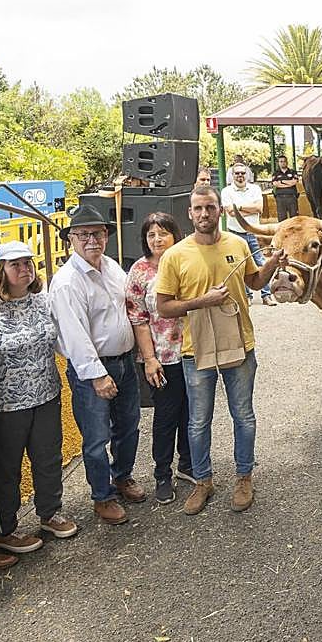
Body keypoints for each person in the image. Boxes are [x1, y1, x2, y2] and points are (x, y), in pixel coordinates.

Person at [154, 186, 288, 515]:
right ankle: (203, 481)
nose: (204, 214)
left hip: (239, 344)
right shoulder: (175, 255)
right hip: (194, 349)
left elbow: (255, 283)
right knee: (198, 421)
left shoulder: (238, 244)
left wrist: (272, 262)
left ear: (220, 211)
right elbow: (164, 307)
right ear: (190, 213)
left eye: (210, 208)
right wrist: (204, 301)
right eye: (198, 208)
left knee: (243, 416)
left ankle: (244, 477)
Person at [49, 205, 144, 526]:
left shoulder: (112, 267)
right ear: (71, 240)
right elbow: (74, 336)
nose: (92, 240)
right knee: (96, 437)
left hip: (124, 362)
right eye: (84, 234)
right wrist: (98, 376)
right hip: (94, 371)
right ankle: (101, 497)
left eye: (98, 233)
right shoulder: (66, 282)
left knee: (129, 427)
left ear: (106, 236)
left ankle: (122, 477)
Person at [0, 240, 74, 552]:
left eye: (27, 263)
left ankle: (50, 512)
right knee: (6, 468)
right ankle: (6, 529)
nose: (24, 269)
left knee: (48, 458)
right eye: (15, 264)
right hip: (6, 403)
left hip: (46, 394)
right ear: (1, 270)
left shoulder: (42, 300)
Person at [125, 212, 193, 503]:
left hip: (192, 351)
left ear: (175, 235)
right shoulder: (140, 271)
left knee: (192, 413)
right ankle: (162, 473)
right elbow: (138, 319)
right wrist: (150, 359)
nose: (156, 239)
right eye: (151, 234)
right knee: (166, 415)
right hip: (161, 356)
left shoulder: (188, 260)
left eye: (162, 233)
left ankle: (189, 464)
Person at [221, 163, 275, 306]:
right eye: (237, 173)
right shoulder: (226, 191)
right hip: (235, 234)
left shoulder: (255, 189)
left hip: (254, 233)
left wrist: (238, 207)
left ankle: (266, 295)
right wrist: (248, 209)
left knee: (261, 263)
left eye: (242, 173)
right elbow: (230, 212)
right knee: (240, 265)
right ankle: (247, 296)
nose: (240, 176)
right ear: (232, 175)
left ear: (247, 175)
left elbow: (259, 208)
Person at [271, 155, 300, 221]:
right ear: (278, 163)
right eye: (281, 161)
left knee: (294, 218)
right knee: (282, 219)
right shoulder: (275, 173)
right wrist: (289, 183)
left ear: (287, 162)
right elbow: (275, 184)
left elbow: (294, 182)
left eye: (284, 161)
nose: (283, 163)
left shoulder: (293, 172)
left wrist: (282, 181)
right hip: (280, 198)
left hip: (292, 197)